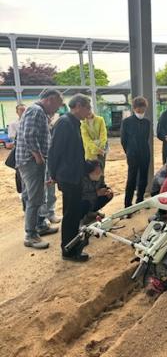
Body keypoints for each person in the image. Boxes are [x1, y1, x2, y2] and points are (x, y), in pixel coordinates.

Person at [16, 90, 63, 250]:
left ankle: (40, 225)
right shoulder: (35, 111)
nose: (57, 109)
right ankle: (30, 235)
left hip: (32, 161)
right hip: (31, 162)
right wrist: (38, 157)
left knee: (36, 195)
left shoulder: (39, 112)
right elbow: (29, 135)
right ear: (50, 100)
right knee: (34, 199)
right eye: (57, 105)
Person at [48, 94, 92, 262]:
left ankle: (73, 244)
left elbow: (73, 153)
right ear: (78, 106)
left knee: (74, 213)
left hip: (75, 175)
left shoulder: (73, 123)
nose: (89, 111)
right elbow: (54, 152)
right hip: (69, 177)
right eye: (88, 107)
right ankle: (69, 251)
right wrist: (53, 175)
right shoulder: (65, 124)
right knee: (70, 215)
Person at [121, 96, 150, 211]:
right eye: (138, 108)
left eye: (143, 108)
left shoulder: (147, 122)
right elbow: (123, 140)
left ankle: (140, 200)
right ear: (134, 108)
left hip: (145, 154)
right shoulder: (127, 122)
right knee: (132, 179)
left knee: (144, 178)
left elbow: (146, 138)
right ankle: (127, 204)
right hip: (132, 154)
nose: (141, 111)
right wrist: (129, 152)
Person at [81, 159, 113, 224]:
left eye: (100, 171)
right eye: (97, 172)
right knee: (85, 203)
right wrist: (96, 194)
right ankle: (83, 217)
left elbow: (103, 186)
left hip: (94, 199)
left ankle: (91, 213)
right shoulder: (82, 180)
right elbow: (81, 196)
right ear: (89, 172)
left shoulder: (100, 177)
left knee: (108, 196)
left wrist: (108, 190)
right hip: (84, 201)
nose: (100, 174)